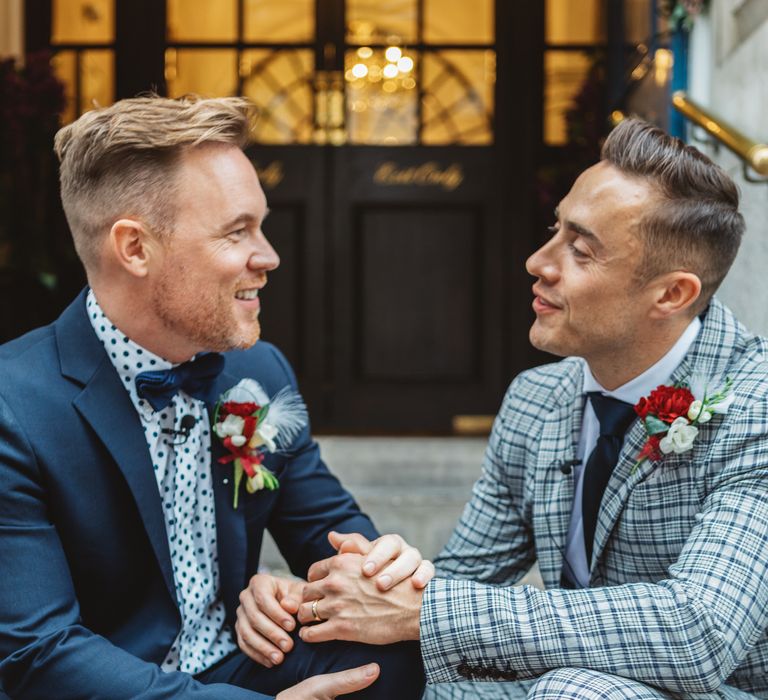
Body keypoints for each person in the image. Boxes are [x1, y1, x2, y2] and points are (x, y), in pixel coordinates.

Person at [265, 119, 768, 698]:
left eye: (580, 250)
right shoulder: (537, 399)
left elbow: (697, 632)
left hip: (721, 688)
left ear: (672, 294)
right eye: (554, 230)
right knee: (373, 676)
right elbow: (460, 582)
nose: (538, 261)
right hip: (565, 678)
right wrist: (309, 598)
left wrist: (427, 608)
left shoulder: (753, 406)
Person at [0, 95, 428, 699]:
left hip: (236, 659)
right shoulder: (13, 406)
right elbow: (38, 654)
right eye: (237, 232)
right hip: (101, 683)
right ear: (135, 248)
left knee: (389, 654)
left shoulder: (257, 371)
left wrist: (334, 578)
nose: (269, 256)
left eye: (261, 225)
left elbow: (335, 540)